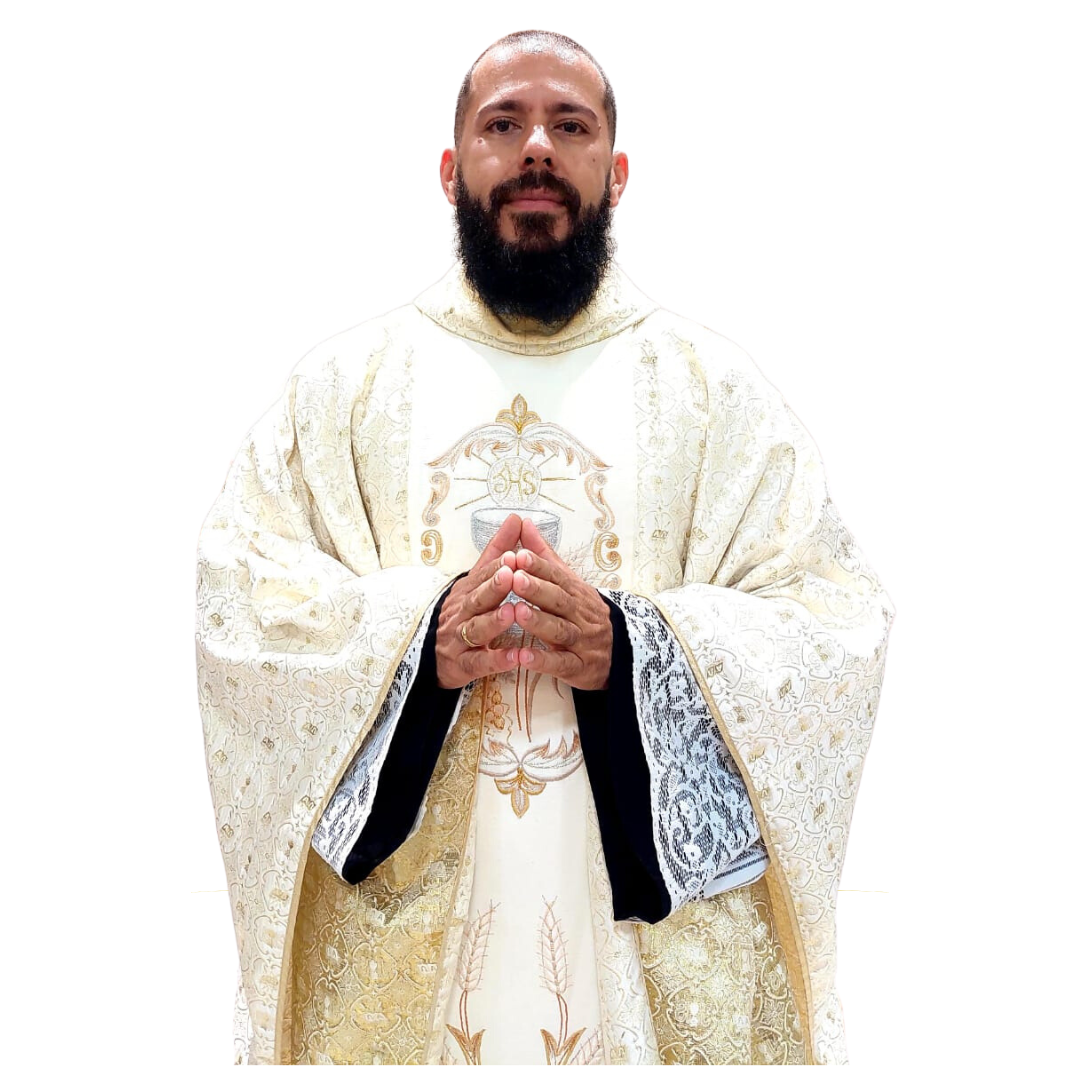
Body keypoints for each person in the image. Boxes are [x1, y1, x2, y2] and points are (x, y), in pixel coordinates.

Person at [195, 29, 893, 1066]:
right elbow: (240, 607)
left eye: (570, 126)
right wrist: (414, 644)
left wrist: (637, 649)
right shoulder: (344, 393)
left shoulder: (713, 398)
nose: (536, 148)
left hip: (635, 954)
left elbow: (832, 623)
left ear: (617, 172)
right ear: (450, 170)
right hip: (405, 947)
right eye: (503, 124)